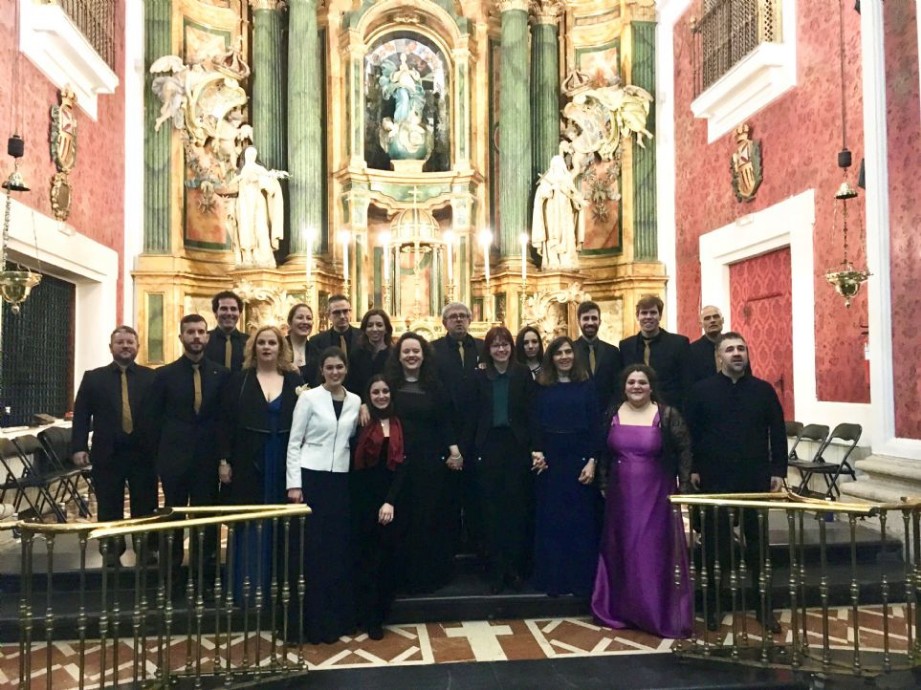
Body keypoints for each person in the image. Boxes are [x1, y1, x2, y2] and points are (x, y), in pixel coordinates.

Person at [684, 332, 787, 634]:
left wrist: (778, 470)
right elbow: (690, 434)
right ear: (719, 356)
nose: (737, 353)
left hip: (755, 477)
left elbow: (777, 431)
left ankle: (763, 607)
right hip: (714, 477)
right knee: (715, 546)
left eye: (741, 348)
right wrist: (693, 468)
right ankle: (715, 605)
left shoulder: (763, 390)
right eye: (730, 349)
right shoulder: (701, 391)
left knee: (758, 546)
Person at [591, 364, 693, 638]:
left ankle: (654, 611)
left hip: (656, 493)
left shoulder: (667, 414)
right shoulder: (613, 413)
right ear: (624, 386)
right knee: (622, 549)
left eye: (642, 382)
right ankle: (624, 610)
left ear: (651, 386)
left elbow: (684, 450)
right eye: (631, 382)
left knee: (650, 551)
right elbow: (604, 452)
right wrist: (603, 482)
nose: (636, 386)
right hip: (620, 495)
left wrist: (683, 487)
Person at [218, 325, 302, 603]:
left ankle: (280, 589)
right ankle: (249, 587)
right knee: (251, 520)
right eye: (262, 343)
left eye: (272, 343)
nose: (267, 347)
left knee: (283, 524)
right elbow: (226, 422)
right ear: (253, 348)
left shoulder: (293, 379)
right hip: (248, 460)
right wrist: (224, 460)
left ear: (281, 347)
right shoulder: (240, 380)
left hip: (283, 459)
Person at [143, 315, 230, 579]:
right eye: (190, 332)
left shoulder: (221, 374)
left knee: (205, 516)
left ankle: (204, 573)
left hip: (207, 459)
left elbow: (224, 420)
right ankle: (170, 574)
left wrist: (224, 458)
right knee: (173, 515)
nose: (196, 336)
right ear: (181, 337)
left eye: (201, 332)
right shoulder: (164, 375)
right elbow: (152, 420)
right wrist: (158, 459)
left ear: (207, 337)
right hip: (174, 458)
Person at [286, 347, 361, 644]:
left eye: (339, 367)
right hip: (311, 477)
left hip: (340, 480)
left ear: (346, 369)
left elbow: (352, 435)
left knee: (336, 550)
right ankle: (311, 622)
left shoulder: (355, 401)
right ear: (321, 371)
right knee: (312, 551)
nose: (334, 372)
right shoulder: (309, 398)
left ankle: (336, 618)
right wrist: (294, 484)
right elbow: (294, 442)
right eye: (329, 367)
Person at [72, 326, 157, 567]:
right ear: (111, 347)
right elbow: (81, 415)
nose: (126, 346)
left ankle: (146, 549)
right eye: (120, 342)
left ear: (138, 347)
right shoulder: (93, 378)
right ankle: (110, 550)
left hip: (143, 452)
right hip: (108, 452)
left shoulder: (152, 377)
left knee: (146, 503)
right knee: (109, 504)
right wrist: (78, 447)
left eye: (130, 342)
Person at [386, 332, 462, 593]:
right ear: (398, 356)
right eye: (406, 351)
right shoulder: (390, 385)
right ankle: (401, 577)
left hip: (429, 462)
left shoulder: (434, 386)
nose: (411, 355)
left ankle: (428, 576)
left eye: (416, 351)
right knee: (403, 518)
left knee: (428, 516)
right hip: (398, 460)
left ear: (424, 355)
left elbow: (444, 421)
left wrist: (454, 451)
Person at [531, 336, 602, 597]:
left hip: (579, 459)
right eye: (559, 353)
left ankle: (580, 581)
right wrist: (537, 451)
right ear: (551, 357)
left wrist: (593, 460)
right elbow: (534, 422)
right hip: (550, 461)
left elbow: (596, 426)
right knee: (552, 521)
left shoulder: (586, 386)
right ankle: (554, 580)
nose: (564, 357)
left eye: (568, 352)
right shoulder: (541, 387)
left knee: (580, 521)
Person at [473, 326, 540, 593]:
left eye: (505, 345)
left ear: (512, 348)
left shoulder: (522, 374)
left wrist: (535, 447)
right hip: (488, 446)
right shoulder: (479, 376)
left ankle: (514, 569)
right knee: (491, 510)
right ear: (488, 350)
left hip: (516, 446)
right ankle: (496, 570)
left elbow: (532, 413)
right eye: (495, 345)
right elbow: (472, 415)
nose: (501, 350)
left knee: (515, 509)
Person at [351, 375, 407, 640]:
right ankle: (364, 614)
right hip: (363, 501)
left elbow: (403, 466)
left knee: (387, 560)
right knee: (365, 559)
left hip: (391, 502)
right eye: (375, 392)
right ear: (368, 396)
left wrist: (390, 501)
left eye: (385, 391)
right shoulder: (361, 422)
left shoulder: (400, 423)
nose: (381, 396)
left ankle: (380, 615)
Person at [431, 302, 485, 557]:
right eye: (453, 317)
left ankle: (478, 547)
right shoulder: (433, 350)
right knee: (448, 498)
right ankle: (449, 550)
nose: (459, 320)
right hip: (446, 432)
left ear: (470, 320)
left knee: (477, 497)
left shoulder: (483, 348)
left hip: (478, 433)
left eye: (463, 316)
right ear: (444, 323)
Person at [619, 294, 692, 410]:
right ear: (637, 316)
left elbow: (687, 382)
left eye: (653, 313)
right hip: (635, 409)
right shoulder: (626, 346)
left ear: (660, 316)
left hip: (670, 409)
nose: (648, 317)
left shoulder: (679, 344)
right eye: (644, 313)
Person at [228, 145, 288, 268]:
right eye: (249, 154)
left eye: (253, 155)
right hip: (244, 203)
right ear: (244, 156)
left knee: (261, 227)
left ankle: (264, 258)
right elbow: (231, 187)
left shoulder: (260, 169)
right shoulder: (239, 173)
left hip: (258, 202)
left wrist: (260, 179)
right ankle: (247, 258)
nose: (251, 157)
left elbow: (271, 187)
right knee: (245, 229)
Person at [530, 154, 586, 270]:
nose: (557, 169)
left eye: (559, 167)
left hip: (566, 215)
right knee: (553, 237)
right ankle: (553, 261)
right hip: (551, 215)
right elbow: (541, 195)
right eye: (555, 167)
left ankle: (567, 261)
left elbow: (575, 198)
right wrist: (551, 189)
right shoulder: (547, 181)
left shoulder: (567, 181)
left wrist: (579, 202)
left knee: (568, 236)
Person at [573, 300, 621, 409]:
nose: (590, 322)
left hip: (607, 412)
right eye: (586, 318)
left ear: (600, 321)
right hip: (578, 410)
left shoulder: (613, 352)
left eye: (594, 318)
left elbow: (618, 385)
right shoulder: (571, 350)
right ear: (578, 322)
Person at [307, 294, 362, 386]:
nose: (342, 316)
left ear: (350, 312)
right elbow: (314, 373)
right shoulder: (316, 341)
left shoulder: (363, 337)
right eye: (337, 312)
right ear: (329, 315)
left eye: (345, 311)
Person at [348, 308, 394, 397]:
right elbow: (351, 385)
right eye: (370, 325)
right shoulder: (356, 355)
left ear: (386, 329)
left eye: (379, 325)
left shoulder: (393, 355)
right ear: (365, 329)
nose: (374, 329)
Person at [204, 291, 247, 371]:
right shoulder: (204, 340)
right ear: (215, 313)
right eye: (224, 309)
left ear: (239, 313)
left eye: (233, 309)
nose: (229, 313)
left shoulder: (249, 342)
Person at [689, 305, 725, 383]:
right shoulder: (692, 350)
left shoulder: (734, 345)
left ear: (722, 320)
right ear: (700, 324)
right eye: (707, 318)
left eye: (716, 317)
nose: (712, 320)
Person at [286, 302, 315, 383]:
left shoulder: (317, 353)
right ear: (290, 322)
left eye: (309, 318)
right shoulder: (278, 348)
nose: (305, 322)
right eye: (300, 318)